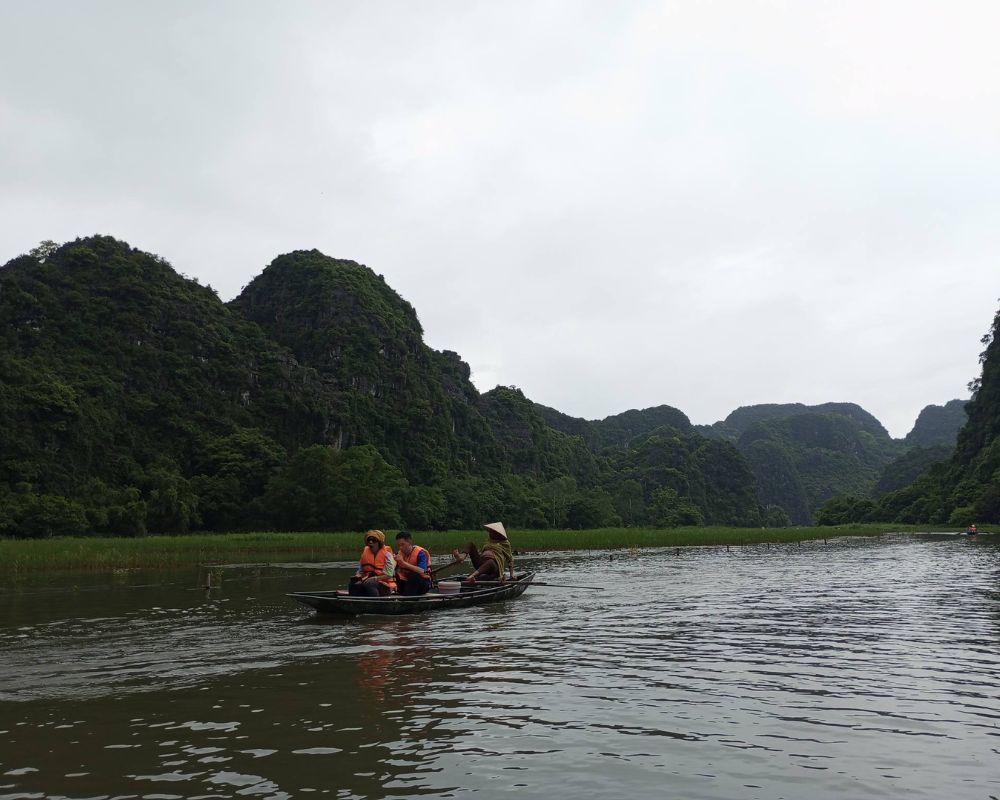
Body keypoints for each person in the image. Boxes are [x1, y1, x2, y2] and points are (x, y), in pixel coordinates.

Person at [349, 530, 397, 596]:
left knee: (370, 583)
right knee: (354, 582)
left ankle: (376, 603)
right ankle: (354, 602)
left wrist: (375, 578)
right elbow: (360, 570)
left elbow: (389, 575)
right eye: (369, 540)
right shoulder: (365, 554)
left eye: (373, 540)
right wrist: (357, 576)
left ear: (379, 542)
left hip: (385, 584)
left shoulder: (387, 554)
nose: (370, 542)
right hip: (368, 580)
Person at [394, 530, 432, 596]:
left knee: (415, 575)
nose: (400, 547)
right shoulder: (399, 554)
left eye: (403, 544)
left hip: (422, 583)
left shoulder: (420, 553)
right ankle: (402, 593)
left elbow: (422, 570)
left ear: (409, 542)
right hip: (407, 582)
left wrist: (403, 563)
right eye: (399, 545)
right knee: (396, 575)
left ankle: (409, 596)